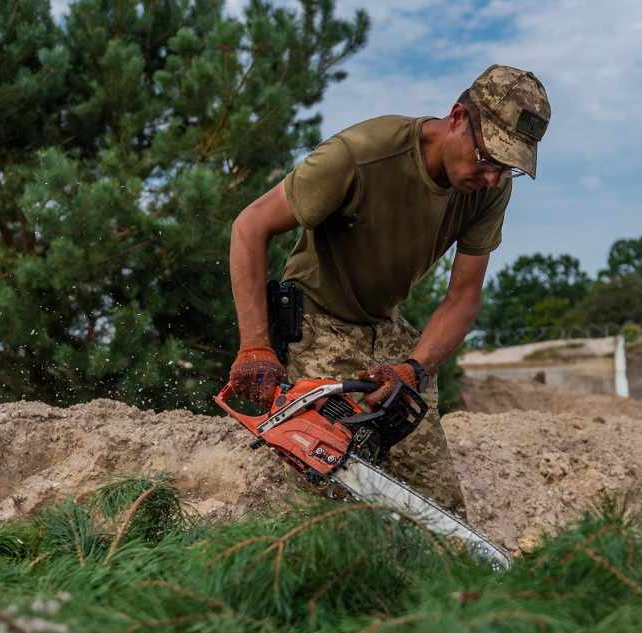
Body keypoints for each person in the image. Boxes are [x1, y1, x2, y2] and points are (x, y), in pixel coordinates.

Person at [227, 64, 550, 515]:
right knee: (330, 481)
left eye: (507, 168)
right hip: (316, 320)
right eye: (488, 158)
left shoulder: (489, 188)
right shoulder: (361, 155)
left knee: (436, 507)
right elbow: (249, 227)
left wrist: (414, 368)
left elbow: (463, 297)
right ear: (458, 117)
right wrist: (256, 346)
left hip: (388, 331)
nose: (493, 177)